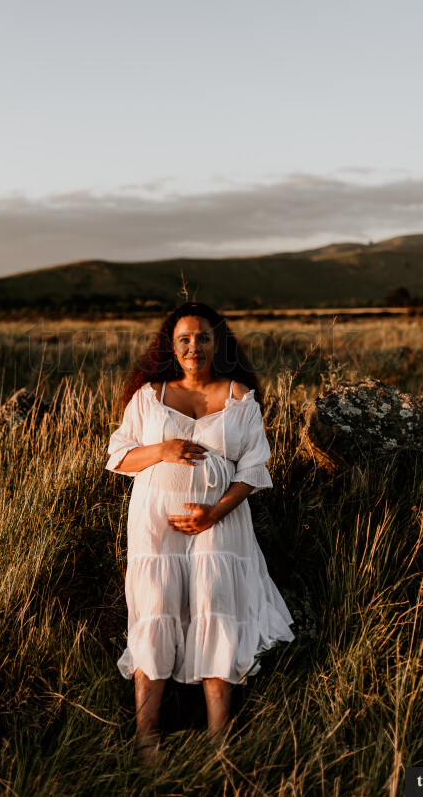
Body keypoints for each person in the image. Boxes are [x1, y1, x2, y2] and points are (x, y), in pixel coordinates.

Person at [105, 302, 294, 762]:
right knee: (155, 607)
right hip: (156, 523)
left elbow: (253, 468)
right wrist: (161, 449)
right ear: (171, 346)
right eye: (185, 339)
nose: (195, 347)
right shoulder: (149, 397)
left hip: (219, 520)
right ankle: (147, 736)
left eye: (204, 338)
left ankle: (218, 739)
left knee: (216, 607)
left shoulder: (239, 396)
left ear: (218, 342)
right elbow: (118, 457)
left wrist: (215, 512)